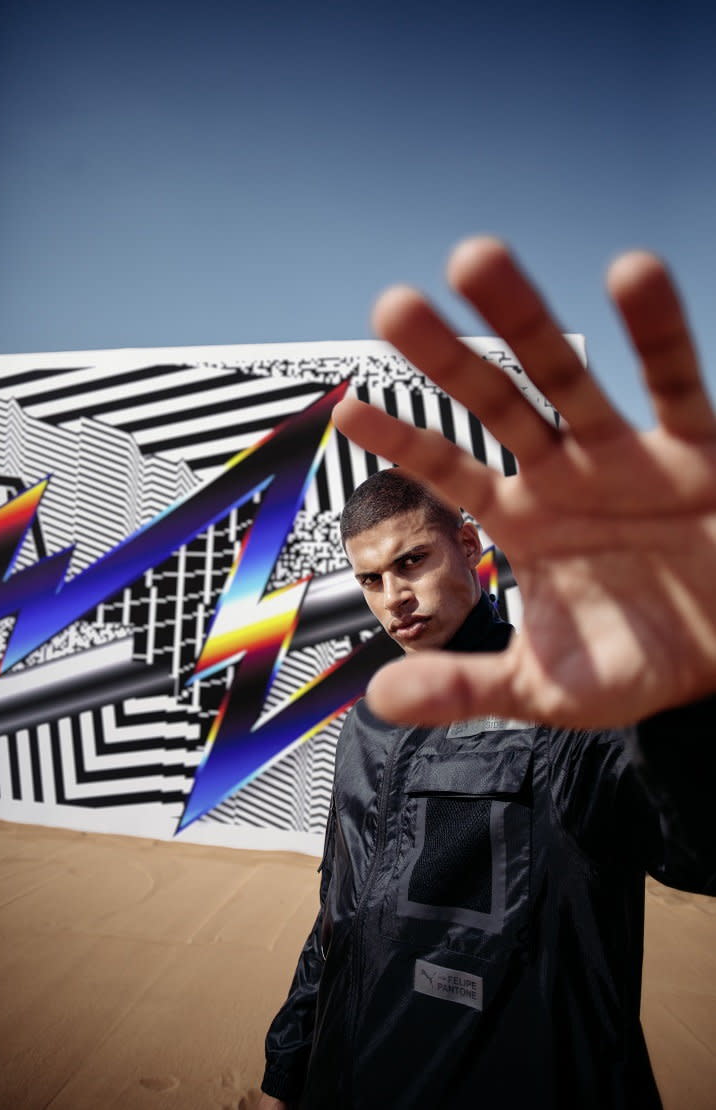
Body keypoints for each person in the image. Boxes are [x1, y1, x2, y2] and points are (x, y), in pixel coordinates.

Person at [257, 238, 716, 1109]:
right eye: (371, 579)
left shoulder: (568, 702)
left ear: (470, 545)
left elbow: (698, 851)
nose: (394, 597)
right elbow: (341, 912)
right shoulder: (371, 718)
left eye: (414, 562)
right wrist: (291, 1063)